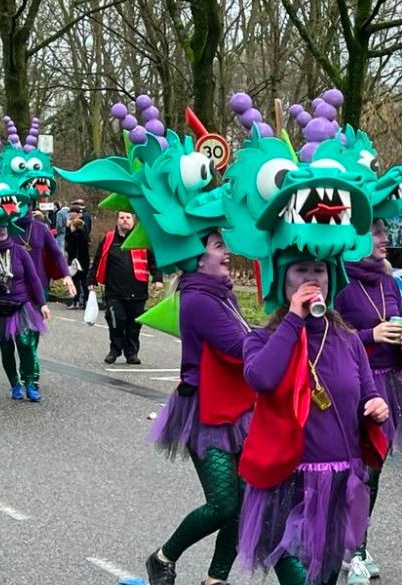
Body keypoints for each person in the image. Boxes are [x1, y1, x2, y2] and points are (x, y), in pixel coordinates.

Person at [237, 256, 389, 585]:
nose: (312, 279)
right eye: (301, 271)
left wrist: (376, 404)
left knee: (328, 575)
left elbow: (367, 391)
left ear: (331, 279)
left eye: (319, 271)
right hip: (288, 480)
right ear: (284, 281)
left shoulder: (348, 340)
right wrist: (294, 318)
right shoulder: (261, 338)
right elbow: (261, 378)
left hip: (338, 478)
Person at [145, 232, 253, 585]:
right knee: (223, 503)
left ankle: (215, 579)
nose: (227, 252)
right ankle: (163, 558)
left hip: (235, 406)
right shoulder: (198, 299)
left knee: (243, 503)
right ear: (197, 257)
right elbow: (241, 347)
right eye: (219, 246)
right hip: (207, 411)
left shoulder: (220, 295)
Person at [334, 219, 402, 583]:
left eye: (385, 231)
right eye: (376, 231)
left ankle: (355, 541)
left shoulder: (388, 279)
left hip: (390, 386)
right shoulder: (340, 281)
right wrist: (370, 334)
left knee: (374, 472)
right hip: (358, 388)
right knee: (360, 471)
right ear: (356, 237)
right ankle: (351, 547)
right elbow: (330, 337)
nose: (385, 238)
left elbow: (399, 318)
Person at [0, 224, 49, 402]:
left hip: (21, 305)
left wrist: (43, 304)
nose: (1, 229)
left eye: (4, 226)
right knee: (6, 349)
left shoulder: (20, 251)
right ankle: (14, 384)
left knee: (25, 344)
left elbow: (34, 278)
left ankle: (29, 384)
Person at [12, 198, 74, 386]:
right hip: (15, 289)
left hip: (39, 287)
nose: (25, 209)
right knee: (21, 334)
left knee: (33, 331)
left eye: (28, 205)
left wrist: (66, 275)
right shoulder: (8, 228)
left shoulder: (41, 229)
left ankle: (29, 373)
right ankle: (30, 372)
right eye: (20, 205)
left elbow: (56, 253)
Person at [89, 211, 163, 364]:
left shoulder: (142, 238)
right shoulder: (109, 239)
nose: (125, 221)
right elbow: (98, 260)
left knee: (134, 326)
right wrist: (91, 280)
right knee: (116, 321)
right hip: (114, 291)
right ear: (117, 220)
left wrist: (157, 278)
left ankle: (132, 353)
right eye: (121, 218)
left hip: (138, 290)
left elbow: (154, 261)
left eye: (128, 218)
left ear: (133, 220)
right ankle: (115, 349)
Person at [64, 209, 90, 309]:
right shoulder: (84, 236)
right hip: (84, 261)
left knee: (75, 282)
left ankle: (76, 301)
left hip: (75, 261)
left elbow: (69, 248)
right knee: (84, 282)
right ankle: (85, 301)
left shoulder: (73, 236)